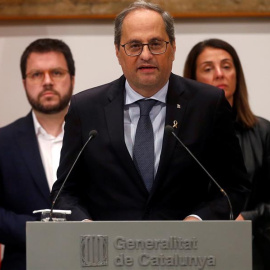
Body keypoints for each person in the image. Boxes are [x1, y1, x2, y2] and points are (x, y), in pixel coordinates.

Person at [51, 1, 249, 224]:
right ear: (118, 51)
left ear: (173, 47)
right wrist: (84, 226)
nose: (146, 55)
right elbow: (64, 194)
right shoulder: (85, 108)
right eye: (134, 45)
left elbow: (234, 187)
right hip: (107, 250)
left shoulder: (207, 104)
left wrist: (197, 220)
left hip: (187, 249)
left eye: (155, 44)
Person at [183, 38, 270, 270]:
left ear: (236, 75)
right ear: (193, 80)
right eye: (208, 69)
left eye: (227, 66)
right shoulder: (177, 135)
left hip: (254, 250)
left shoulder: (263, 132)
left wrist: (247, 218)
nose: (220, 74)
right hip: (191, 249)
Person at [0, 38, 75, 270]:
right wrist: (36, 229)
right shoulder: (3, 141)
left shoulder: (99, 138)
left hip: (86, 260)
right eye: (36, 74)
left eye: (56, 72)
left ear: (72, 79)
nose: (47, 81)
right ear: (24, 83)